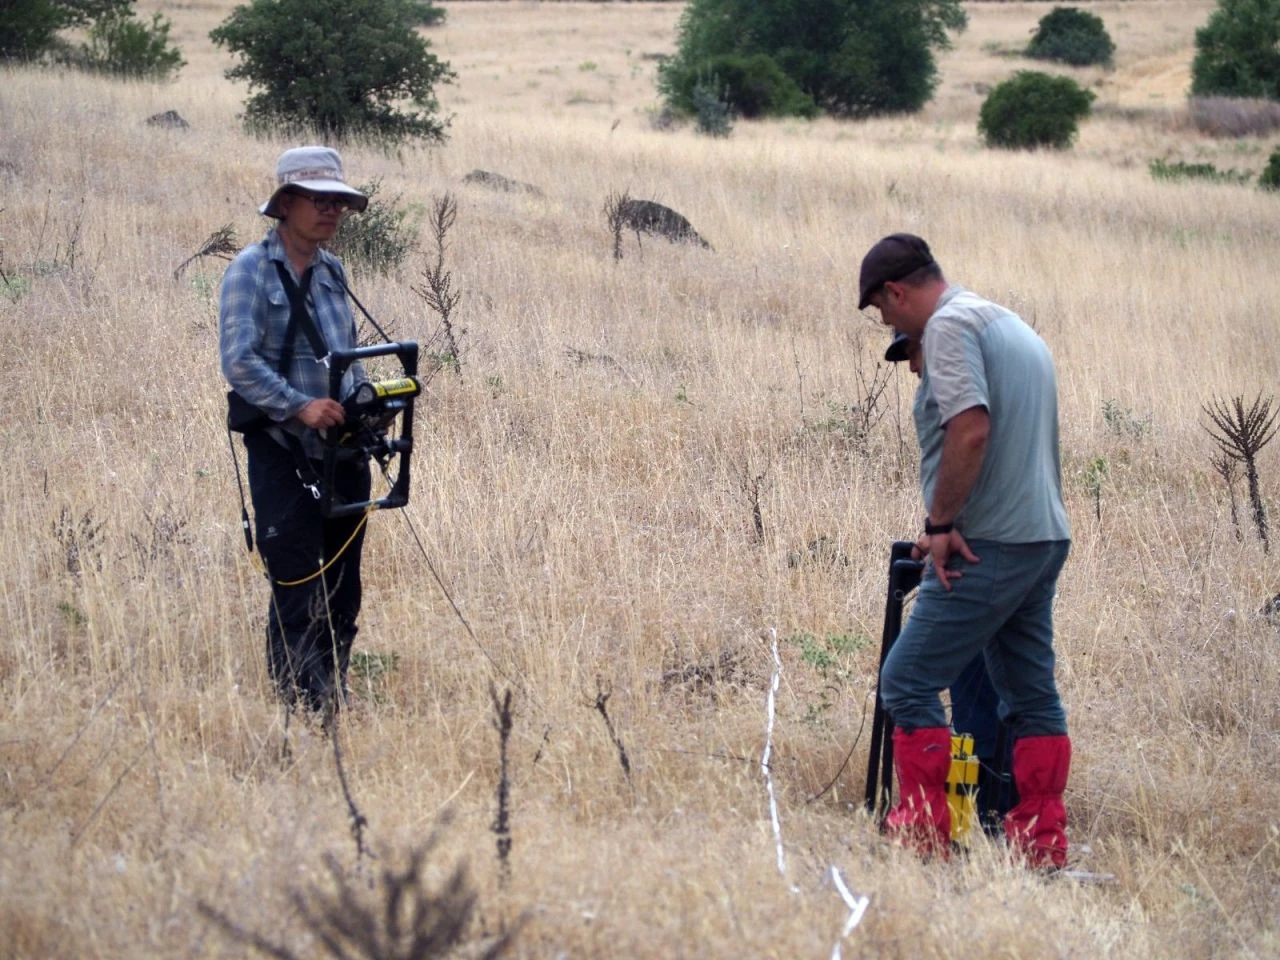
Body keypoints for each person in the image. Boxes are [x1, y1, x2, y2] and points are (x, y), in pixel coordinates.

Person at [861, 235, 1072, 867]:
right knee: (1031, 696)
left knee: (906, 679)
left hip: (992, 545)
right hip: (1042, 536)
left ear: (897, 292)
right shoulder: (1005, 322)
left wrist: (941, 522)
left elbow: (971, 428)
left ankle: (924, 840)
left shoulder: (948, 327)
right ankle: (1039, 845)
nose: (887, 325)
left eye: (881, 310)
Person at [219, 146, 372, 715]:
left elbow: (347, 356)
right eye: (319, 198)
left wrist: (364, 404)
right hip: (283, 447)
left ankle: (332, 692)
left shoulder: (334, 271)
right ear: (285, 204)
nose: (331, 210)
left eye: (339, 201)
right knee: (297, 577)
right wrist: (300, 405)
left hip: (342, 450)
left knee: (343, 585)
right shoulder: (248, 272)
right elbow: (239, 362)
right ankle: (300, 704)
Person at [885, 331, 1017, 832]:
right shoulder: (970, 397)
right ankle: (990, 809)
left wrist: (939, 535)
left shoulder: (971, 406)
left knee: (922, 681)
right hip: (996, 553)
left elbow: (983, 483)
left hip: (985, 561)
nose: (913, 368)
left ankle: (954, 817)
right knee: (996, 687)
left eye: (916, 354)